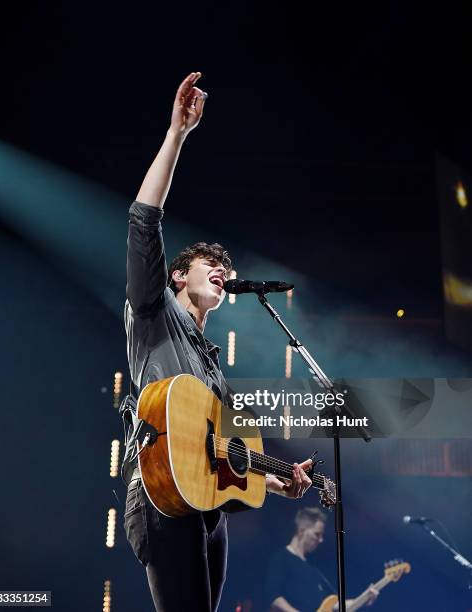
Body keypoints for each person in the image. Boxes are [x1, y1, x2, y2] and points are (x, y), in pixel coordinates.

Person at [122, 71, 316, 612]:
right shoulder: (153, 311)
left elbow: (223, 454)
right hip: (162, 494)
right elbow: (143, 222)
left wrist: (279, 483)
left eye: (227, 269)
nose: (222, 273)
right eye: (212, 266)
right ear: (179, 276)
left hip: (207, 506)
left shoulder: (211, 370)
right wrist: (177, 134)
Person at [265, 507, 378, 612]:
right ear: (301, 530)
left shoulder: (313, 569)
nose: (321, 540)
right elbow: (273, 597)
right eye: (317, 534)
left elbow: (334, 604)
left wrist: (363, 599)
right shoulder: (281, 558)